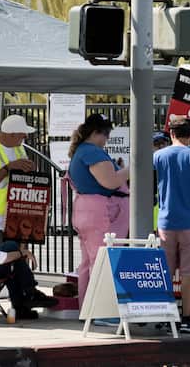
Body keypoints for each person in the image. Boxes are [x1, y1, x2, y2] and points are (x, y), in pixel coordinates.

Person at [154, 116, 190, 334]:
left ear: (171, 133)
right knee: (188, 274)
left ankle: (165, 317)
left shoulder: (158, 156)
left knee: (165, 273)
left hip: (165, 223)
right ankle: (186, 320)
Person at [68, 113, 129, 309]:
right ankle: (101, 311)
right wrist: (130, 168)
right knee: (102, 261)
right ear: (96, 133)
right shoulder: (92, 152)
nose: (107, 139)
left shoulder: (82, 151)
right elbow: (110, 182)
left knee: (89, 262)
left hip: (85, 209)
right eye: (106, 134)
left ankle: (87, 308)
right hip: (97, 210)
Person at [0, 114, 38, 245]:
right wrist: (9, 167)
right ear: (12, 135)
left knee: (17, 257)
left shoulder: (19, 148)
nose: (25, 137)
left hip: (15, 215)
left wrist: (29, 168)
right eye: (23, 134)